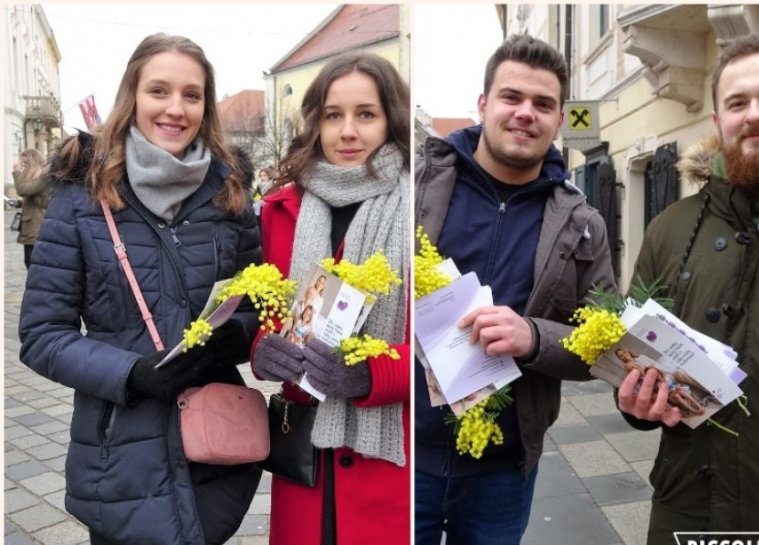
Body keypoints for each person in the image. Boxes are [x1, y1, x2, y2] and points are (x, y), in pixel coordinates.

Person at [18, 33, 263, 545]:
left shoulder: (230, 192)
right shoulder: (81, 195)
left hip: (212, 445)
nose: (175, 108)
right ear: (132, 96)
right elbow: (42, 335)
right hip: (119, 454)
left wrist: (231, 335)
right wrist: (131, 373)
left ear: (205, 106)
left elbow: (254, 302)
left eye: (191, 95)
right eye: (159, 91)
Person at [616, 33, 759, 542]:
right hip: (688, 509)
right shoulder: (669, 228)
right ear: (717, 122)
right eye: (737, 103)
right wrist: (634, 404)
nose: (754, 114)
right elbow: (630, 357)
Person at [414, 34, 616, 545]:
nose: (526, 113)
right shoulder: (414, 186)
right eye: (512, 97)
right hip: (403, 450)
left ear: (560, 118)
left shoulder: (583, 223)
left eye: (543, 104)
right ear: (483, 105)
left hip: (503, 467)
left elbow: (603, 348)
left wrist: (533, 337)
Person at [250, 53, 410, 545]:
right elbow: (272, 318)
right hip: (306, 457)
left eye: (366, 114)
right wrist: (263, 350)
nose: (347, 131)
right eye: (333, 115)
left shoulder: (420, 207)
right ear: (315, 121)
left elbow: (445, 347)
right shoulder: (281, 209)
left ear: (391, 120)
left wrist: (368, 373)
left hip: (385, 461)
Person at [12, 148, 52, 269]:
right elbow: (34, 198)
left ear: (33, 161)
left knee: (35, 265)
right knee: (29, 263)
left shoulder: (43, 176)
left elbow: (23, 190)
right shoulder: (35, 177)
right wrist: (19, 203)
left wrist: (17, 172)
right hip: (31, 228)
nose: (24, 168)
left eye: (26, 164)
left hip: (38, 227)